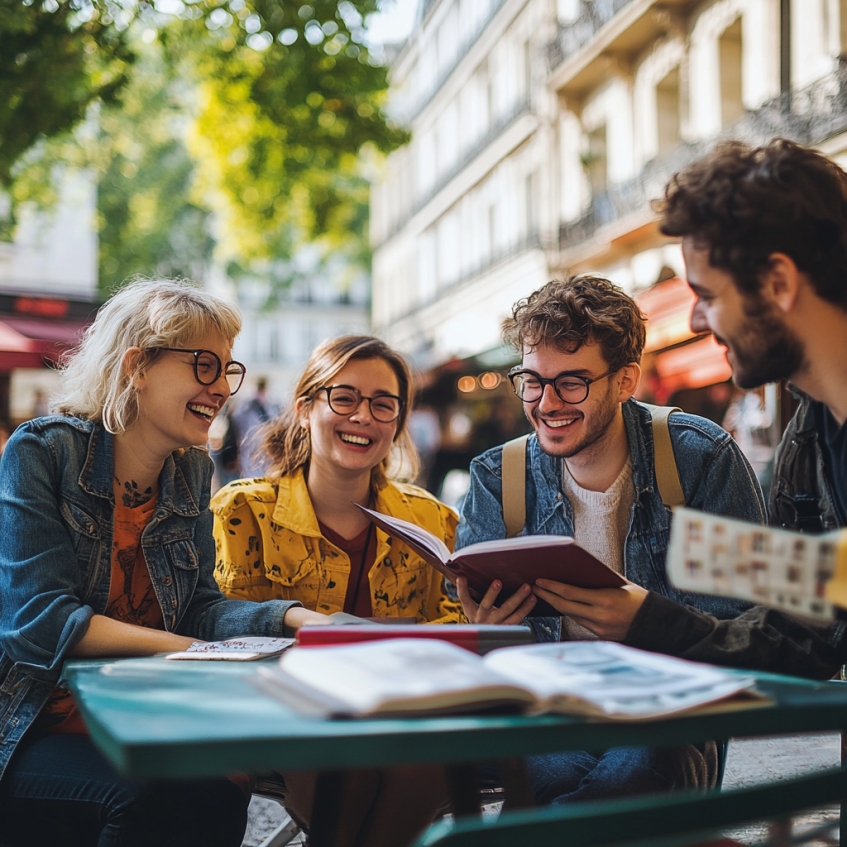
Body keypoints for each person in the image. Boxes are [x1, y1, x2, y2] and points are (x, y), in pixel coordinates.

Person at [0, 279, 326, 847]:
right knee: (151, 796)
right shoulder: (42, 452)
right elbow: (41, 623)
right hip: (30, 723)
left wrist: (296, 621)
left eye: (228, 369)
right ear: (137, 366)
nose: (222, 387)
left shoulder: (191, 471)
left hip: (141, 718)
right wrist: (199, 652)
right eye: (204, 365)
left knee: (221, 789)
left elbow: (199, 606)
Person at [454, 274, 766, 805]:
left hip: (668, 716)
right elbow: (492, 660)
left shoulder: (699, 459)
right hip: (551, 715)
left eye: (571, 382)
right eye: (532, 380)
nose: (546, 403)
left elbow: (745, 630)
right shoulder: (496, 477)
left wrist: (648, 623)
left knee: (633, 768)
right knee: (540, 767)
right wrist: (485, 631)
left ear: (625, 381)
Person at [552, 139, 847, 680]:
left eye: (707, 294)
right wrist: (652, 617)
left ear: (778, 283)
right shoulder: (812, 430)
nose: (694, 322)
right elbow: (811, 627)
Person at [211, 334, 462, 845]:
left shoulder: (433, 518)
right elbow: (225, 626)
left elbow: (457, 623)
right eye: (344, 398)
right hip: (288, 709)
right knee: (343, 760)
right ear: (305, 408)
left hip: (405, 708)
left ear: (398, 421)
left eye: (383, 404)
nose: (363, 416)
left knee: (424, 760)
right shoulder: (244, 510)